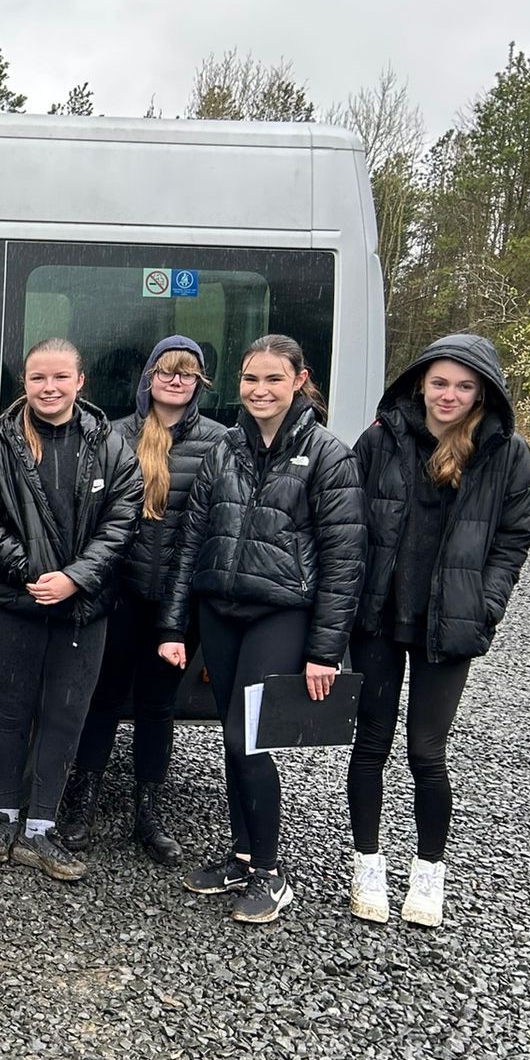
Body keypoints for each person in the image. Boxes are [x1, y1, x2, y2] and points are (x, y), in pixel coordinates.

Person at [157, 334, 366, 924]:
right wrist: (175, 625)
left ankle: (272, 874)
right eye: (250, 379)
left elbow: (345, 559)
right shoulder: (224, 448)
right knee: (231, 738)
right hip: (220, 612)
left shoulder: (329, 454)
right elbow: (191, 541)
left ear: (299, 381)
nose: (260, 391)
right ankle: (244, 853)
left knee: (249, 740)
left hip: (282, 613)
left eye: (273, 379)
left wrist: (326, 650)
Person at [345, 333, 530, 927]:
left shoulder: (507, 453)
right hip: (378, 617)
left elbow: (513, 538)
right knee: (370, 746)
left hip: (449, 622)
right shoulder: (380, 438)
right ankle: (367, 865)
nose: (449, 395)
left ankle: (429, 873)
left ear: (483, 393)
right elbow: (347, 518)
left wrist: (486, 604)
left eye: (464, 386)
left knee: (427, 753)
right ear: (420, 383)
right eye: (440, 382)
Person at [0, 337, 142, 883]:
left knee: (65, 716)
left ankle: (40, 828)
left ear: (80, 382)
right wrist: (32, 574)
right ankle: (4, 820)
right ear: (25, 384)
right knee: (11, 712)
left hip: (84, 608)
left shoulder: (111, 448)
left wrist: (74, 579)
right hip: (15, 602)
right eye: (38, 378)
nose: (49, 388)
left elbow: (122, 524)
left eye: (60, 377)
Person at [61, 336, 228, 863]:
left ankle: (148, 813)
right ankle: (81, 803)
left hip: (180, 602)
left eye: (187, 373)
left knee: (159, 706)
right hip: (121, 593)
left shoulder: (222, 441)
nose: (175, 381)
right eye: (166, 371)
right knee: (104, 697)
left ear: (199, 383)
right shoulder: (114, 436)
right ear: (148, 378)